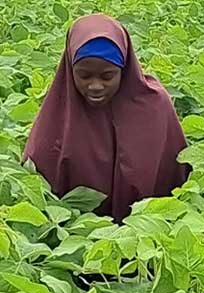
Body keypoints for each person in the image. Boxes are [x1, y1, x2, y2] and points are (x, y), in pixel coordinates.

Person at [24, 14, 189, 223]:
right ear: (69, 69)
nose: (95, 86)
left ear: (124, 69)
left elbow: (176, 177)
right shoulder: (59, 113)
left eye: (107, 76)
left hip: (148, 234)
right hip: (77, 235)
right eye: (84, 76)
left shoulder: (155, 107)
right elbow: (36, 182)